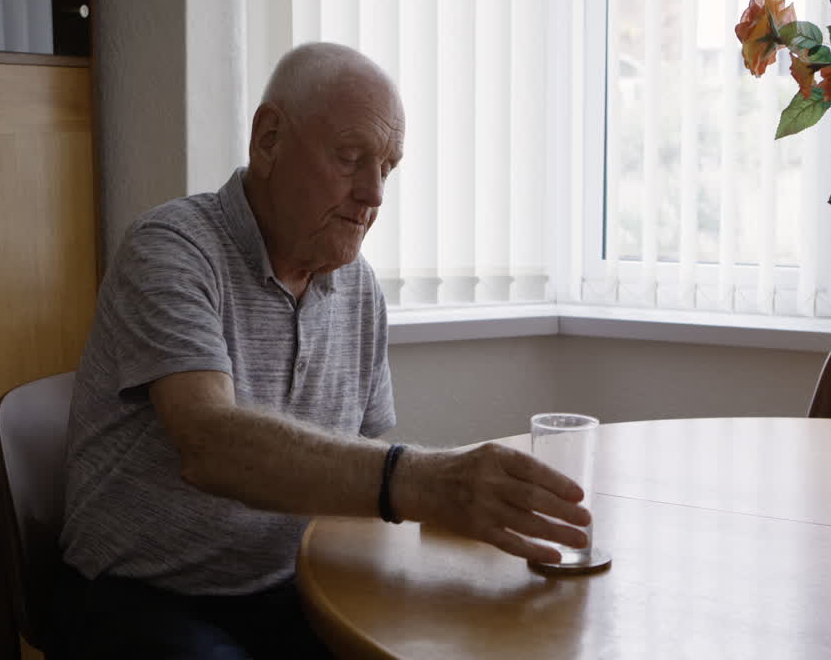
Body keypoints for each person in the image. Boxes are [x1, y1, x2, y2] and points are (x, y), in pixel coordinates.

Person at [59, 42, 591, 659]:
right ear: (269, 137)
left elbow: (354, 468)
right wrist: (425, 480)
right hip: (141, 593)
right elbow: (208, 445)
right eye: (349, 158)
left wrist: (469, 513)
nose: (374, 194)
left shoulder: (357, 286)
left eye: (387, 168)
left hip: (295, 585)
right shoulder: (172, 249)